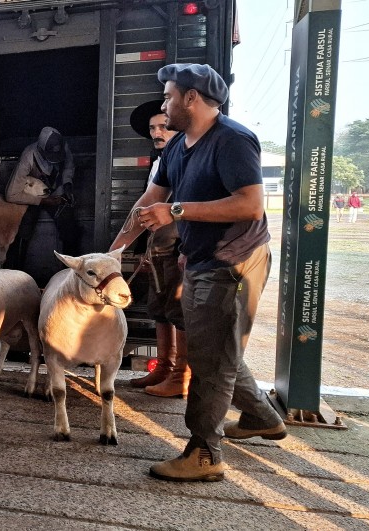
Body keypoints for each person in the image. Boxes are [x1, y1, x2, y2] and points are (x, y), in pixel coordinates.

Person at [133, 63, 286, 482]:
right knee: (216, 347)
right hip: (201, 258)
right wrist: (111, 253)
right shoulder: (177, 146)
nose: (164, 106)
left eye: (168, 97)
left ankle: (205, 453)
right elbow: (151, 200)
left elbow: (251, 205)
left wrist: (177, 212)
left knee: (211, 359)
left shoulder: (233, 140)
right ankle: (260, 417)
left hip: (234, 260)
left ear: (190, 98)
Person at [111, 100, 189, 398]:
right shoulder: (161, 162)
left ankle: (182, 374)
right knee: (158, 306)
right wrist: (136, 248)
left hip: (181, 245)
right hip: (159, 244)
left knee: (178, 307)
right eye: (152, 128)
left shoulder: (186, 157)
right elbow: (147, 207)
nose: (157, 133)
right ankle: (164, 367)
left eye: (163, 126)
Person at [5, 126, 78, 286]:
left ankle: (71, 276)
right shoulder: (28, 156)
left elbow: (68, 166)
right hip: (34, 197)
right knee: (23, 229)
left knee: (70, 227)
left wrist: (67, 184)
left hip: (56, 193)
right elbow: (12, 194)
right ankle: (15, 278)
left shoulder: (64, 149)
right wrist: (43, 201)